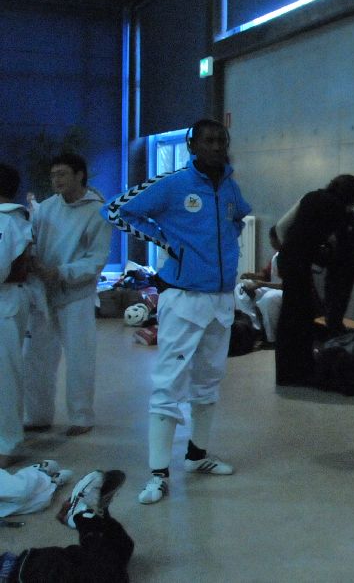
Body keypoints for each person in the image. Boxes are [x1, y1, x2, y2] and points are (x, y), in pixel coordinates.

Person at [102, 118, 251, 506]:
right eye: (208, 140)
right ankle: (158, 474)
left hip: (220, 299)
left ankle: (197, 456)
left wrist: (221, 251)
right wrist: (166, 241)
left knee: (209, 380)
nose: (216, 146)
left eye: (221, 140)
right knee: (169, 383)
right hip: (184, 298)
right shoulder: (173, 183)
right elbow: (116, 210)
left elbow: (237, 219)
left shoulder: (230, 185)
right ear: (192, 145)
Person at [22, 154, 112, 437]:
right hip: (42, 293)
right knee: (35, 356)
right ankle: (37, 416)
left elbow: (96, 259)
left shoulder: (98, 212)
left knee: (79, 358)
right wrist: (32, 262)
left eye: (62, 174)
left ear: (79, 175)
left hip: (77, 295)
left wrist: (61, 272)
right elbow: (32, 241)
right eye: (53, 176)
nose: (56, 180)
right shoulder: (47, 207)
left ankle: (81, 416)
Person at [274, 174, 354, 386]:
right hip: (300, 263)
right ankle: (299, 372)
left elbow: (281, 227)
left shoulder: (310, 196)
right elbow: (342, 247)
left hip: (288, 259)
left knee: (290, 316)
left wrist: (290, 250)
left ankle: (288, 372)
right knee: (301, 318)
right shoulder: (338, 210)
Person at [0, 468, 133, 582]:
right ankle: (92, 517)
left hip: (24, 573)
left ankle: (83, 516)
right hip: (32, 568)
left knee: (109, 575)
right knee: (122, 548)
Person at [0, 164, 34, 469]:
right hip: (9, 299)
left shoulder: (6, 220)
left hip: (7, 302)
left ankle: (7, 443)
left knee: (5, 376)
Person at [322, 210, 354, 334]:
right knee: (339, 306)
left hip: (335, 270)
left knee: (332, 306)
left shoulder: (336, 227)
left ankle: (334, 333)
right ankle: (336, 332)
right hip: (348, 272)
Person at [236, 226, 284, 347]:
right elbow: (265, 275)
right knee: (241, 289)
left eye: (272, 239)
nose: (271, 242)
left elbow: (289, 284)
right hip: (275, 289)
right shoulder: (276, 256)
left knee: (269, 298)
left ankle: (271, 339)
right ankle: (253, 329)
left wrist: (260, 284)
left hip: (288, 292)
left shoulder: (292, 256)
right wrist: (251, 276)